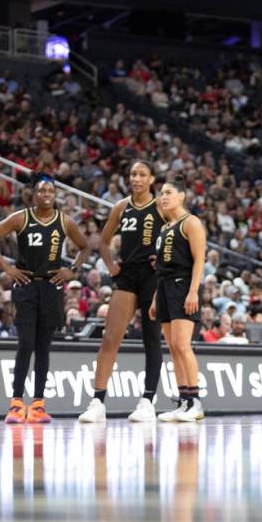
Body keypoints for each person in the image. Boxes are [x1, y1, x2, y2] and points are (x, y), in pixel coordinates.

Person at [0, 173, 90, 424]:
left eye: (51, 191)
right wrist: (7, 269)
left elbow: (85, 247)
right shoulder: (21, 218)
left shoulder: (65, 222)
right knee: (25, 345)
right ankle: (15, 404)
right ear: (33, 194)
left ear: (55, 195)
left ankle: (38, 405)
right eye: (42, 191)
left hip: (52, 288)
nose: (47, 195)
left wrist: (72, 270)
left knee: (43, 348)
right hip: (26, 285)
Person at [78, 160, 165, 423]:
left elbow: (181, 234)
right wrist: (110, 265)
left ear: (151, 179)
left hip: (153, 277)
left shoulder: (162, 206)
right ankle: (97, 402)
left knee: (151, 337)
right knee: (110, 338)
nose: (136, 178)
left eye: (142, 174)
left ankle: (148, 401)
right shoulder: (121, 207)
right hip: (126, 275)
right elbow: (103, 242)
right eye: (133, 174)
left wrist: (163, 258)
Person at [149, 175, 207, 422]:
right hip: (164, 287)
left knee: (183, 345)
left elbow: (199, 259)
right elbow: (161, 267)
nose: (163, 197)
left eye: (168, 193)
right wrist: (154, 298)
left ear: (182, 196)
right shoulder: (163, 228)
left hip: (184, 285)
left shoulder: (191, 222)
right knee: (173, 347)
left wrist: (193, 290)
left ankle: (195, 402)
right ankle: (183, 401)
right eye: (161, 193)